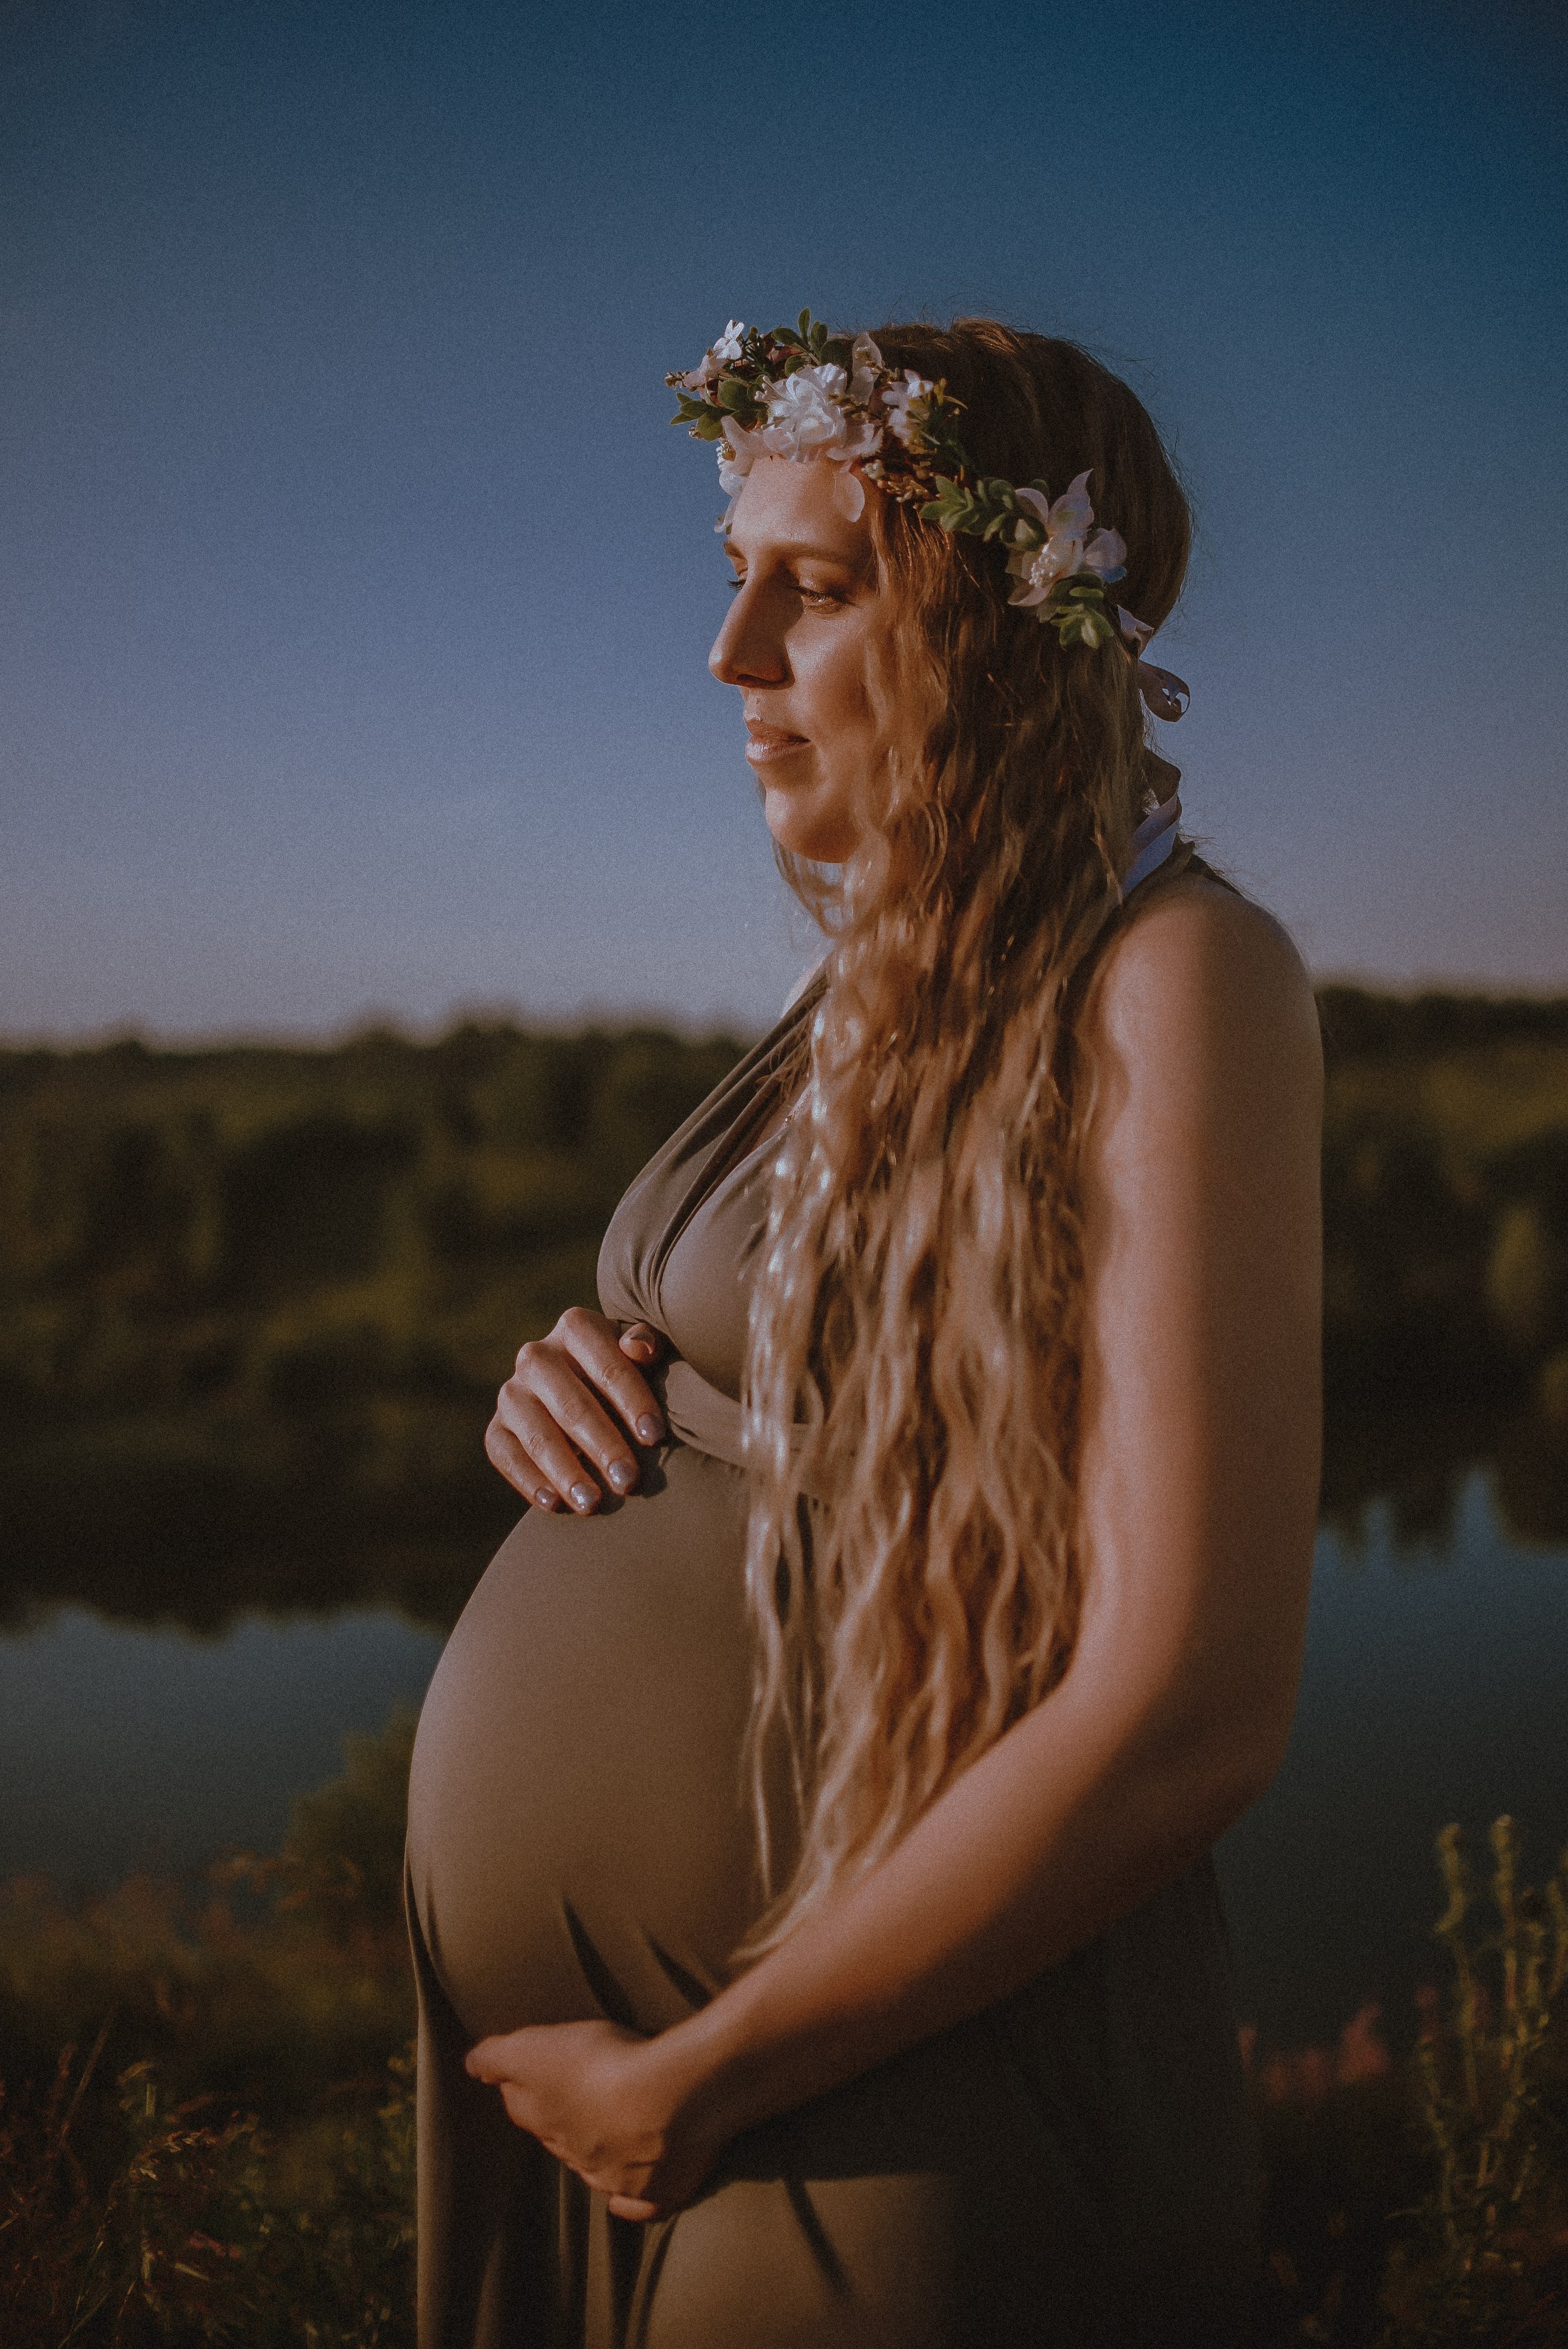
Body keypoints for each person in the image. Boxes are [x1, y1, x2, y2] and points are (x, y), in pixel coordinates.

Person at [404, 314, 1322, 2348]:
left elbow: (1192, 1701)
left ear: (1010, 623)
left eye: (812, 589)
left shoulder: (1175, 979)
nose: (731, 657)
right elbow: (827, 1375)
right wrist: (600, 1386)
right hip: (699, 2083)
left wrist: (694, 2081)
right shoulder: (895, 981)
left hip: (882, 2098)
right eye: (730, 576)